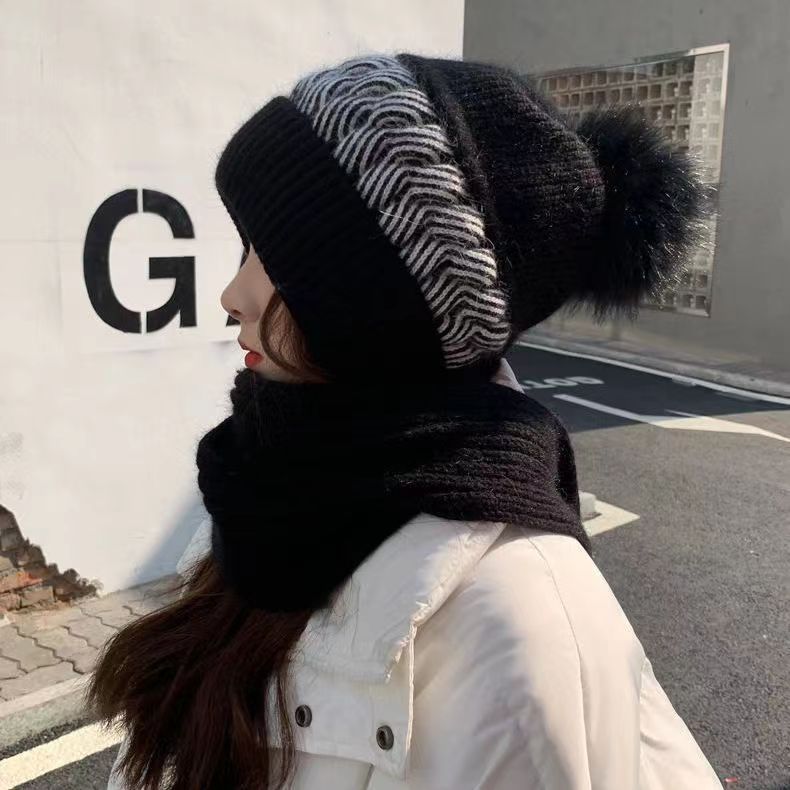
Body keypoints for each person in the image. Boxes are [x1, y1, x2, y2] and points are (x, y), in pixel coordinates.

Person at [88, 52, 722, 789]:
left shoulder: (513, 640)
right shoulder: (275, 479)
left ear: (373, 317)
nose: (233, 295)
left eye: (278, 262)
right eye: (246, 246)